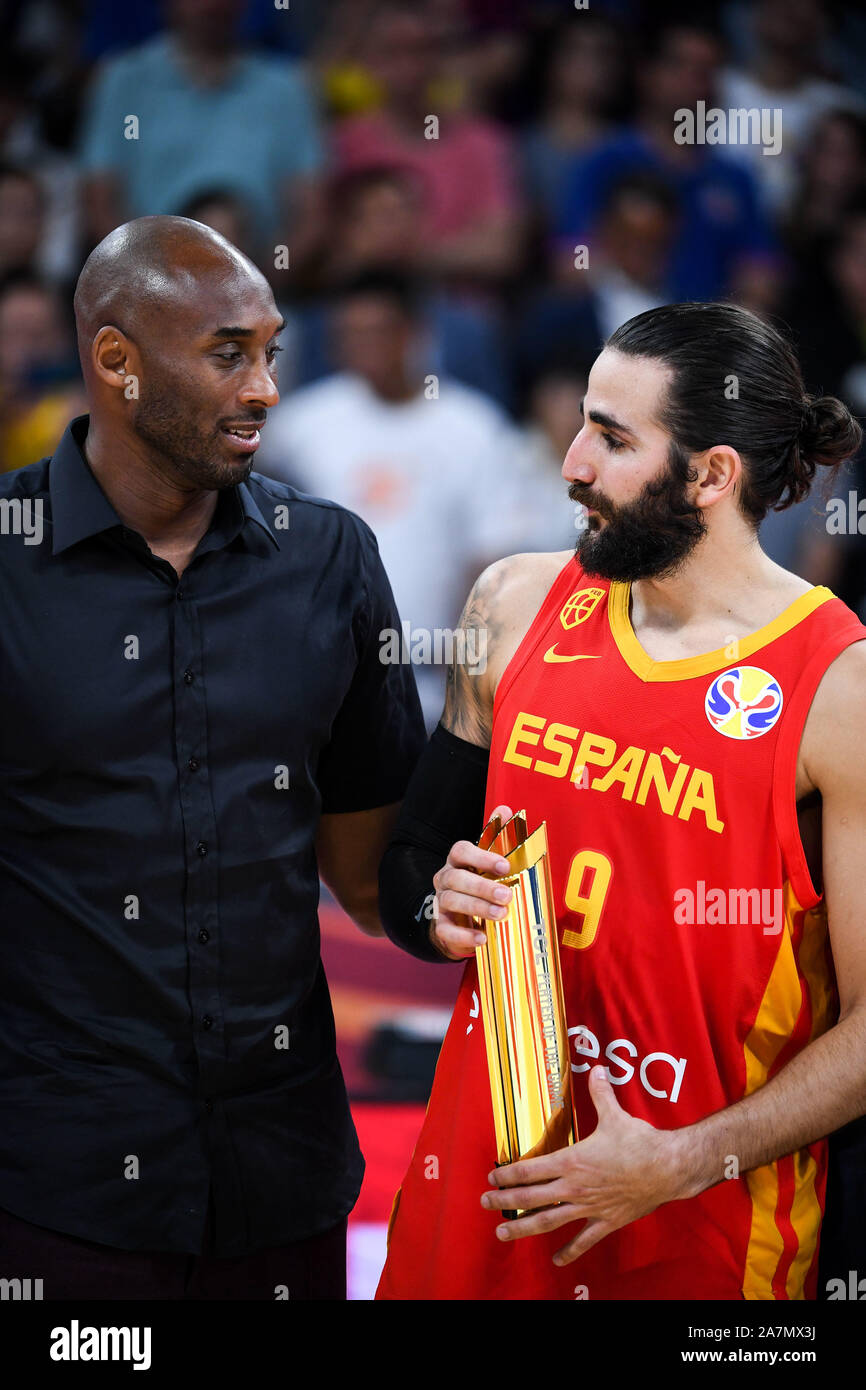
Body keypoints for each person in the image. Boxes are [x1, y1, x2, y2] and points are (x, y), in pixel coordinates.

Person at [375, 301, 866, 1300]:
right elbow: (407, 878)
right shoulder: (512, 603)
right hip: (480, 1184)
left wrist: (684, 1159)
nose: (570, 463)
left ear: (712, 474)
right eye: (579, 423)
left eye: (610, 436)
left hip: (698, 1226)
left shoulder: (835, 689)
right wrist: (441, 907)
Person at [0, 215, 426, 1300]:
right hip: (58, 1188)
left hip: (283, 1172)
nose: (265, 388)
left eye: (271, 352)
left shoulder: (332, 557)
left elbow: (372, 877)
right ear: (115, 362)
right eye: (227, 352)